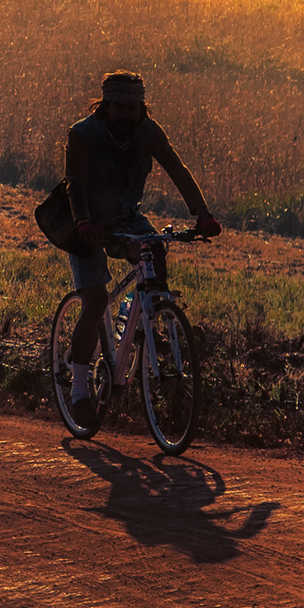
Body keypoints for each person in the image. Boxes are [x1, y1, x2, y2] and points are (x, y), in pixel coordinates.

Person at [54, 70, 220, 414]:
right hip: (83, 222)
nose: (128, 114)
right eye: (121, 107)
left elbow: (176, 168)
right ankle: (79, 388)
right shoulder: (82, 134)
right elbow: (75, 185)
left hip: (126, 217)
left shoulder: (148, 131)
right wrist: (84, 222)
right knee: (96, 300)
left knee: (154, 250)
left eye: (134, 106)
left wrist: (201, 214)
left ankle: (148, 317)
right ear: (105, 105)